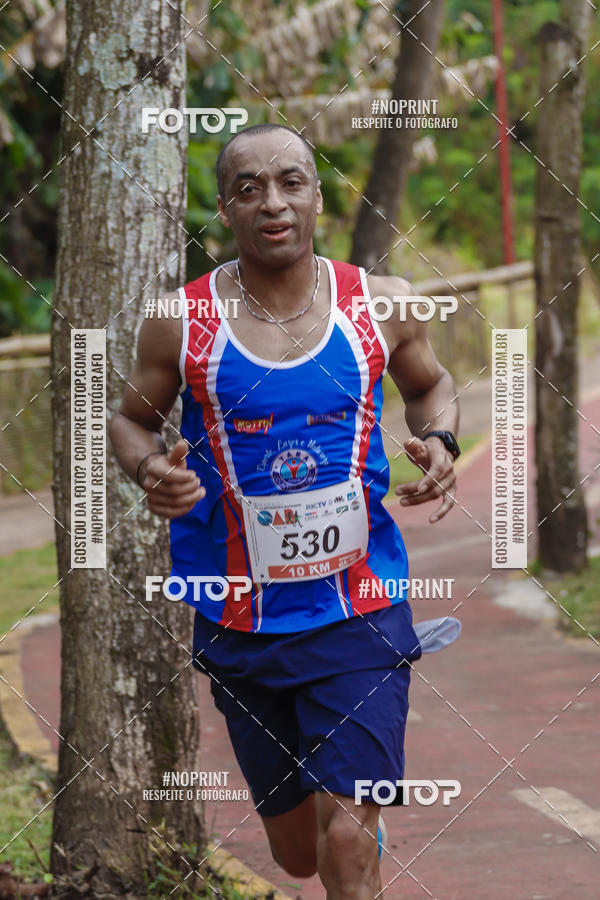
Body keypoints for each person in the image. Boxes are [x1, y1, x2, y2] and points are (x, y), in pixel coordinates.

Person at [110, 123, 460, 899]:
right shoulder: (181, 321)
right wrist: (147, 469)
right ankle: (349, 835)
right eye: (249, 188)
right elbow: (130, 418)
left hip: (361, 610)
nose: (273, 201)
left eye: (291, 182)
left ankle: (361, 834)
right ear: (226, 210)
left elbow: (431, 386)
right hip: (241, 622)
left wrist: (439, 439)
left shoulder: (383, 305)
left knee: (345, 842)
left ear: (317, 197)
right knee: (299, 854)